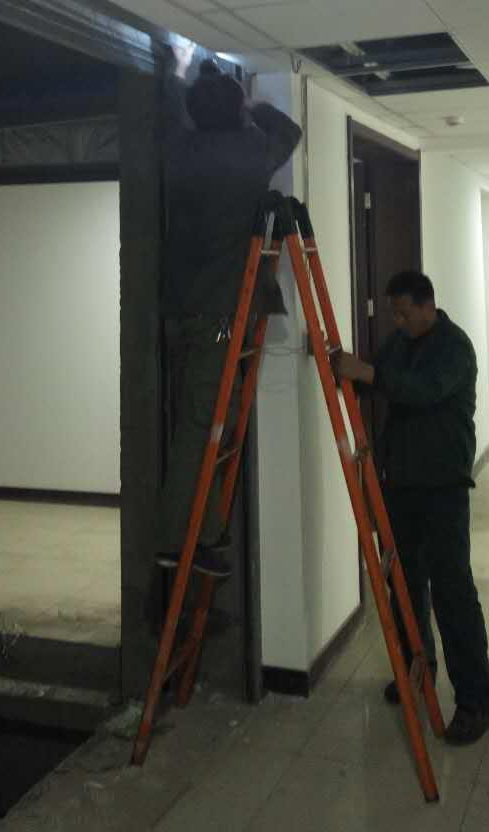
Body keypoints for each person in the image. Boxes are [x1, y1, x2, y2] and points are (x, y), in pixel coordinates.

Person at [331, 270, 489, 745]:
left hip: (443, 485)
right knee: (404, 583)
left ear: (428, 306)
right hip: (401, 483)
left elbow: (421, 390)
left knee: (452, 590)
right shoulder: (399, 344)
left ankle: (476, 700)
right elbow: (380, 381)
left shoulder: (454, 348)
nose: (399, 322)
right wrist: (345, 369)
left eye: (405, 313)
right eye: (395, 315)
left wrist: (367, 373)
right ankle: (417, 667)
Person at [154, 43, 302, 580]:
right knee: (203, 427)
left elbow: (173, 110)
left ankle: (205, 530)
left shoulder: (180, 152)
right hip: (220, 318)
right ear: (236, 111)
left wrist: (177, 72)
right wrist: (251, 106)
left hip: (186, 311)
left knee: (206, 422)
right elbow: (289, 130)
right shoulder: (249, 153)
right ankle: (176, 541)